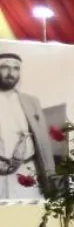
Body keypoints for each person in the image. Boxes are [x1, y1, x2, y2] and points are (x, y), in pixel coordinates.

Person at [0, 52, 58, 200]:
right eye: (5, 67)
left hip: (26, 172)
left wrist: (50, 175)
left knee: (29, 213)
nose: (11, 73)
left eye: (16, 68)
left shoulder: (31, 102)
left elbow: (43, 143)